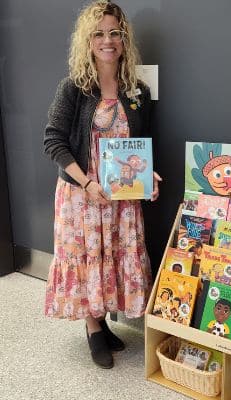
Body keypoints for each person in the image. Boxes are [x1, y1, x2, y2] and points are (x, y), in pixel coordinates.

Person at [41, 1, 161, 369]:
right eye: (99, 33)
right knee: (89, 259)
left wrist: (149, 176)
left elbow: (141, 143)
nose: (107, 40)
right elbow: (54, 141)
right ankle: (93, 326)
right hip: (83, 196)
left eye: (114, 33)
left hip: (121, 199)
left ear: (124, 40)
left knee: (113, 258)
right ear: (87, 40)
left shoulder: (137, 90)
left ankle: (105, 322)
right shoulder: (74, 87)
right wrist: (87, 182)